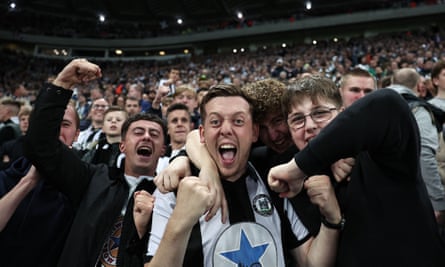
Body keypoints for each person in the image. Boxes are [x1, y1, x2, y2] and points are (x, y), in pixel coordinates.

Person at [144, 84, 341, 267]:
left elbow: (310, 262)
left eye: (238, 121)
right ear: (203, 134)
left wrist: (331, 219)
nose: (226, 129)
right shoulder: (175, 188)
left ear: (254, 132)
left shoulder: (273, 180)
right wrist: (180, 221)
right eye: (216, 122)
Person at [267, 88, 445, 266]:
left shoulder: (380, 156)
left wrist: (299, 167)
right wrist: (331, 219)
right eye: (297, 120)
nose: (310, 125)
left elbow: (387, 103)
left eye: (320, 113)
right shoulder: (294, 188)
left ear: (343, 114)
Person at [23, 58, 166, 267]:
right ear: (123, 146)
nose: (146, 137)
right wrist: (62, 84)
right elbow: (40, 145)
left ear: (163, 149)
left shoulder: (169, 198)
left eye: (154, 134)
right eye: (138, 132)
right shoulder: (93, 178)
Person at [0, 104, 80, 266]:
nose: (55, 130)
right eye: (49, 123)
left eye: (64, 124)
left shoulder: (86, 183)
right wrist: (28, 181)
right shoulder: (6, 177)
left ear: (77, 135)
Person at [387, 68, 445, 225]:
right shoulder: (418, 109)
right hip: (411, 194)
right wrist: (438, 201)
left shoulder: (372, 104)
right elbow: (424, 155)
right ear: (420, 85)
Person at [0, 105, 32, 170]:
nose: (25, 122)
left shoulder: (39, 145)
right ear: (19, 122)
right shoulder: (8, 145)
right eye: (23, 119)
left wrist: (9, 162)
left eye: (29, 119)